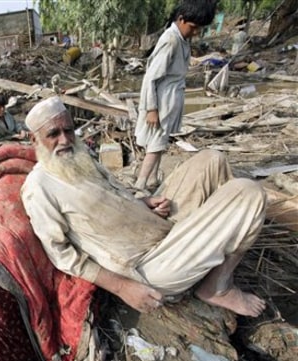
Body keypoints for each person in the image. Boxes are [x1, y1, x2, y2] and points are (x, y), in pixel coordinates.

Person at [21, 96, 267, 317]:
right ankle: (217, 286)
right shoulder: (39, 187)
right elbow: (62, 256)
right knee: (250, 192)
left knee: (213, 160)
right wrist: (123, 287)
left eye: (68, 130)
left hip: (160, 227)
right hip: (151, 265)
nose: (64, 140)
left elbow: (112, 195)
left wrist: (144, 203)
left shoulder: (79, 157)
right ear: (35, 139)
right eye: (53, 134)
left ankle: (219, 243)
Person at [134, 0, 217, 191]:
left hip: (170, 96)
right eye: (194, 27)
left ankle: (153, 178)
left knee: (161, 140)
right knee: (156, 143)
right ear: (181, 19)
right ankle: (141, 183)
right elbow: (150, 78)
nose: (195, 32)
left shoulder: (182, 39)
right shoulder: (171, 40)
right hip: (162, 98)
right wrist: (152, 109)